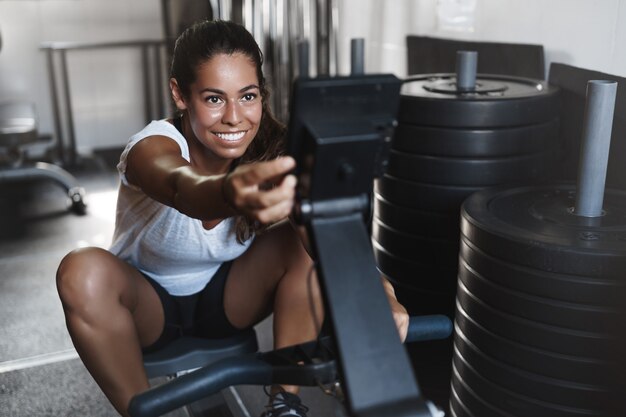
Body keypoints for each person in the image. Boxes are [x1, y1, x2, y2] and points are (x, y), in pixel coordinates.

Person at [56, 19, 409, 417]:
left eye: (247, 96)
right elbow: (181, 187)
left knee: (302, 242)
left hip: (228, 301)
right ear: (180, 94)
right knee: (79, 270)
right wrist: (228, 192)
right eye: (213, 99)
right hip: (145, 307)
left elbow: (328, 236)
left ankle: (284, 404)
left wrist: (383, 294)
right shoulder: (152, 146)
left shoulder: (275, 150)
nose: (235, 118)